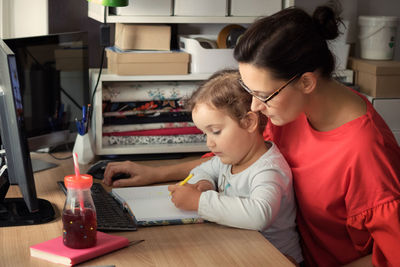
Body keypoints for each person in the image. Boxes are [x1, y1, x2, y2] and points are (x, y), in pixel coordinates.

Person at [103, 5, 400, 267]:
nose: (255, 107)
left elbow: (392, 256)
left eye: (262, 95)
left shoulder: (366, 152)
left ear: (306, 82)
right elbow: (236, 157)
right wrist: (155, 173)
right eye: (250, 92)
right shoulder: (288, 109)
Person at [167, 69, 303, 264]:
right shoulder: (230, 159)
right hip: (241, 249)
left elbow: (259, 215)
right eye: (205, 134)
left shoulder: (269, 169)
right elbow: (202, 170)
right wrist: (203, 184)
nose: (209, 143)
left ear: (248, 122)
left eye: (215, 131)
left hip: (278, 258)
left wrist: (200, 202)